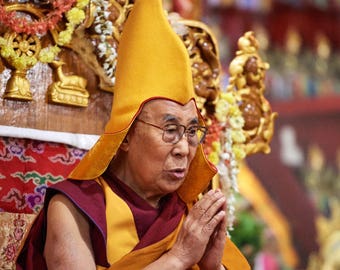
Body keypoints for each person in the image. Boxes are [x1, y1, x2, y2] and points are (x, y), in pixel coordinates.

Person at [16, 0, 250, 269]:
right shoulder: (75, 209)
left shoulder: (190, 216)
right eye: (170, 130)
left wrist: (212, 267)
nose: (184, 149)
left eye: (192, 131)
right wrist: (178, 259)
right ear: (125, 135)